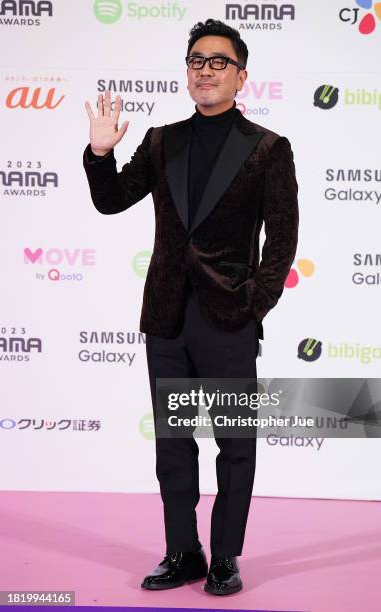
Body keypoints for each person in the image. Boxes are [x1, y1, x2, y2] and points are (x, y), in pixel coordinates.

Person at [83, 18, 298, 596]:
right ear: (187, 73)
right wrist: (101, 153)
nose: (205, 70)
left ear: (241, 75)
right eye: (196, 61)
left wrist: (254, 306)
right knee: (174, 442)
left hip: (229, 320)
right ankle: (184, 551)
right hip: (167, 319)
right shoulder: (160, 140)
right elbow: (110, 202)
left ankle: (225, 556)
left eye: (218, 61)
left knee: (235, 444)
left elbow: (281, 242)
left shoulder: (269, 150)